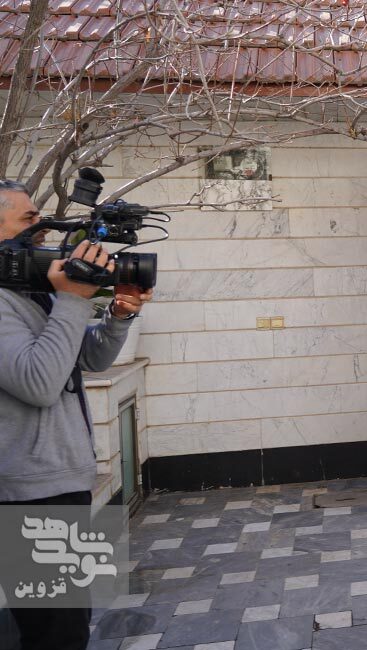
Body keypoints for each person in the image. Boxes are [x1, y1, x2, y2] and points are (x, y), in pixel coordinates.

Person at [0, 180, 152, 650]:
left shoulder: (29, 291)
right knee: (55, 634)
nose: (42, 228)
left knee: (67, 623)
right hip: (29, 493)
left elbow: (87, 358)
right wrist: (74, 296)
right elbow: (39, 382)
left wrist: (118, 316)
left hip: (56, 482)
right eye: (29, 220)